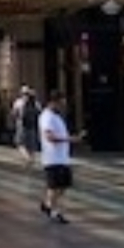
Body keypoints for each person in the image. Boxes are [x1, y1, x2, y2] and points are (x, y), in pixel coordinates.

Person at [37, 93, 74, 222]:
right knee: (54, 186)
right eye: (61, 103)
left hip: (62, 157)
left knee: (63, 185)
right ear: (53, 102)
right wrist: (68, 139)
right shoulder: (47, 117)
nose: (63, 106)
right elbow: (49, 137)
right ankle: (54, 211)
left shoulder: (56, 117)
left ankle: (47, 205)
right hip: (52, 158)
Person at [12, 86, 41, 166]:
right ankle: (32, 159)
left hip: (22, 126)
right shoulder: (36, 103)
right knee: (31, 145)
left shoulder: (18, 102)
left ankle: (28, 159)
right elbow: (39, 114)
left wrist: (16, 119)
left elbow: (14, 114)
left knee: (20, 143)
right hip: (32, 126)